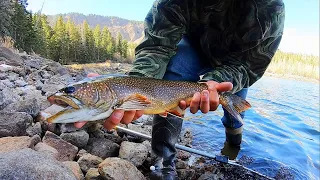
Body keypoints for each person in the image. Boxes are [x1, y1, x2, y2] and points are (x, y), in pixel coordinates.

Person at [75, 0, 285, 179]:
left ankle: (231, 149)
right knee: (174, 70)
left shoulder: (269, 7)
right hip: (193, 45)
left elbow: (250, 65)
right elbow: (157, 45)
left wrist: (214, 82)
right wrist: (138, 80)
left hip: (236, 62)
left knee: (235, 113)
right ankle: (163, 161)